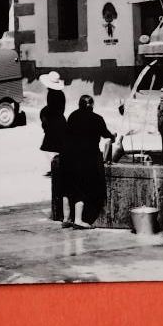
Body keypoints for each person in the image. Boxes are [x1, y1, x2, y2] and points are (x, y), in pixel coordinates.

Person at [60, 94, 114, 228]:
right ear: (92, 105)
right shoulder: (97, 119)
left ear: (79, 104)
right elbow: (106, 134)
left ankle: (66, 219)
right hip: (85, 158)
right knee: (82, 188)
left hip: (68, 156)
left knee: (68, 188)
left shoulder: (72, 116)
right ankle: (78, 220)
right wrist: (113, 136)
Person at [38, 72, 67, 178]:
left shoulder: (52, 94)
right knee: (58, 147)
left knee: (50, 147)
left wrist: (44, 113)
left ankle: (57, 169)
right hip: (59, 122)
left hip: (54, 123)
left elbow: (51, 109)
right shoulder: (60, 94)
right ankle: (57, 168)